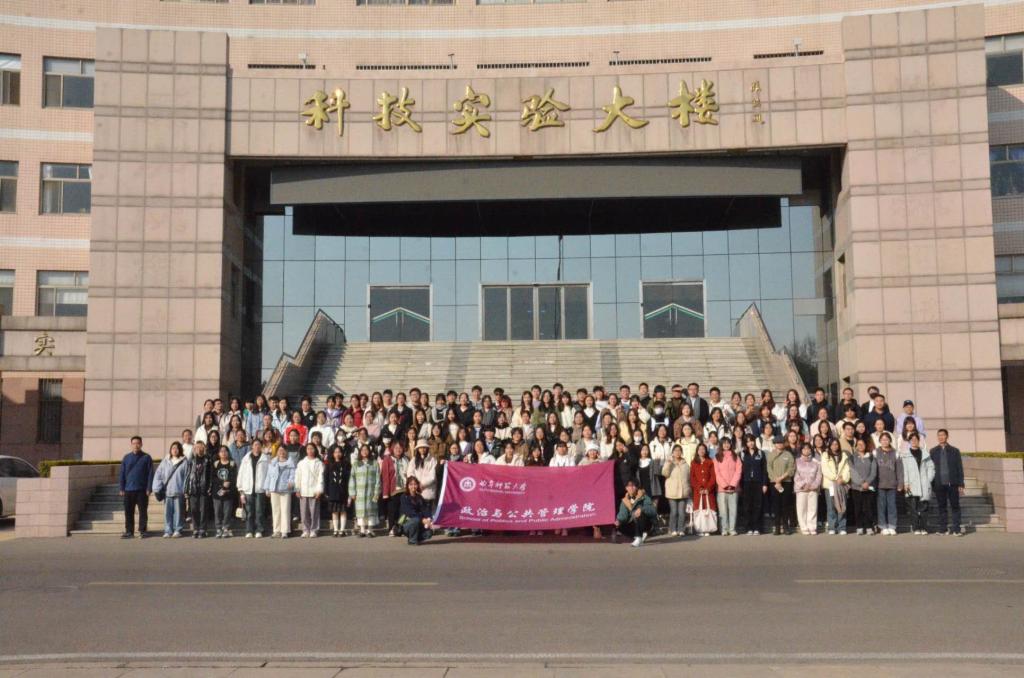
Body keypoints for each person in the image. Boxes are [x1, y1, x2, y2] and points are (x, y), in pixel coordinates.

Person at [930, 429, 965, 536]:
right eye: (939, 435)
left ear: (947, 436)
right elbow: (930, 468)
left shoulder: (955, 451)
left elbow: (959, 468)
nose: (941, 437)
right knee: (942, 507)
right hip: (939, 483)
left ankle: (956, 529)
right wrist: (932, 484)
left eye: (943, 435)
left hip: (952, 483)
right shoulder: (933, 451)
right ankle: (943, 529)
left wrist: (961, 483)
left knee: (955, 506)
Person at [151, 441, 189, 538]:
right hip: (167, 492)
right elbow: (158, 474)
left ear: (180, 450)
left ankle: (177, 530)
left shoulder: (184, 462)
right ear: (170, 450)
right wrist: (156, 487)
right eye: (173, 448)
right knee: (167, 513)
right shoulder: (165, 461)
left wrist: (185, 490)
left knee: (178, 513)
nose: (175, 450)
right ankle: (168, 530)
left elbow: (187, 477)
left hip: (179, 491)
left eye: (177, 448)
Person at [900, 432, 936, 535]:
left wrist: (929, 479)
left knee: (924, 507)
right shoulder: (905, 455)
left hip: (924, 484)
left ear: (919, 441)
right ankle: (916, 528)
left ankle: (923, 528)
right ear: (909, 441)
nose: (914, 441)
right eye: (912, 440)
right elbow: (904, 470)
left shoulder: (925, 454)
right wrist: (906, 483)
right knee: (913, 508)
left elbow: (931, 467)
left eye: (916, 439)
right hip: (911, 484)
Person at [119, 435, 154, 539]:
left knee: (143, 512)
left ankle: (143, 531)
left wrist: (149, 488)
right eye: (134, 443)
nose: (136, 445)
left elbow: (150, 474)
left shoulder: (146, 457)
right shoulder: (126, 458)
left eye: (138, 443)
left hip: (142, 490)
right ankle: (129, 532)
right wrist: (121, 488)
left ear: (141, 444)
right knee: (128, 512)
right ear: (131, 445)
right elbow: (122, 474)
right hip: (128, 490)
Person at [237, 439, 269, 538]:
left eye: (259, 445)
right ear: (252, 446)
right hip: (248, 488)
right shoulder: (246, 459)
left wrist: (268, 488)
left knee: (259, 511)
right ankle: (249, 530)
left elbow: (269, 474)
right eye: (255, 445)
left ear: (261, 447)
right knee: (249, 512)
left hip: (260, 488)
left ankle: (259, 530)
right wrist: (240, 489)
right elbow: (241, 473)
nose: (257, 446)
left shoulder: (266, 459)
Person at [262, 446, 296, 538]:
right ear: (277, 452)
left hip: (285, 489)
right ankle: (276, 530)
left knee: (285, 510)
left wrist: (291, 482)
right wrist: (267, 488)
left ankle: (285, 531)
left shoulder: (290, 463)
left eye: (283, 450)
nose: (281, 452)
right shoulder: (272, 463)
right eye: (279, 450)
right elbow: (268, 476)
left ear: (286, 452)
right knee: (275, 510)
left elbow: (293, 475)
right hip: (274, 489)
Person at [349, 444, 382, 537]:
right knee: (361, 512)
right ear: (360, 452)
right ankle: (362, 530)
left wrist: (377, 492)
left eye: (366, 449)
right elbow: (352, 478)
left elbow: (378, 479)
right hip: (360, 492)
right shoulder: (356, 464)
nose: (364, 451)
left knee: (371, 512)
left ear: (369, 451)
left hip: (371, 492)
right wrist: (352, 492)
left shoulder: (374, 463)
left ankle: (370, 530)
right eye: (362, 450)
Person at [874, 432, 903, 535]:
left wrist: (900, 483)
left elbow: (899, 470)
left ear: (890, 441)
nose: (885, 441)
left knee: (892, 506)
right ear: (880, 441)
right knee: (881, 507)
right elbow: (873, 469)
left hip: (892, 484)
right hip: (880, 485)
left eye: (886, 439)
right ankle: (882, 526)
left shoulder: (896, 453)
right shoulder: (875, 452)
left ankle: (892, 526)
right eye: (883, 440)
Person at [294, 442, 325, 538]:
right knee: (304, 513)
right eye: (308, 449)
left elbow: (321, 477)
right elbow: (298, 477)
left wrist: (319, 490)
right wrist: (297, 489)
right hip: (303, 490)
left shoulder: (319, 463)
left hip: (314, 491)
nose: (310, 450)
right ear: (306, 450)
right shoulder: (301, 463)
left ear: (315, 450)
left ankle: (314, 530)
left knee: (314, 512)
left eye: (312, 448)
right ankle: (305, 530)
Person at [615, 479, 657, 547]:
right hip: (634, 523)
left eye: (633, 486)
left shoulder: (644, 497)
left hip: (646, 523)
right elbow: (623, 515)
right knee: (619, 526)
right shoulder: (625, 500)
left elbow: (653, 510)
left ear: (637, 487)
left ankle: (638, 537)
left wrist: (642, 509)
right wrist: (618, 520)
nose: (631, 488)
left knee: (639, 514)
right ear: (626, 488)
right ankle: (638, 535)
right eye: (629, 486)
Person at [821, 438, 850, 535]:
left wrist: (843, 479)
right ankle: (832, 527)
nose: (834, 446)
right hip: (830, 484)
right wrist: (836, 478)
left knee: (842, 505)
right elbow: (825, 469)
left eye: (836, 444)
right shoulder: (825, 455)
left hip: (841, 484)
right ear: (829, 446)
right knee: (831, 506)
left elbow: (847, 469)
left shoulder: (844, 455)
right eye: (832, 444)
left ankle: (842, 527)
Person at [184, 440, 213, 539]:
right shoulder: (191, 460)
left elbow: (210, 475)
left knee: (203, 510)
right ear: (194, 449)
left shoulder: (208, 460)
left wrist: (210, 487)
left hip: (204, 489)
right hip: (193, 489)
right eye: (197, 447)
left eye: (201, 447)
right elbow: (187, 475)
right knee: (194, 510)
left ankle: (203, 529)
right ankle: (195, 529)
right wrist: (186, 489)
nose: (199, 449)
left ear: (204, 449)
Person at [739, 435, 768, 535]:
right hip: (746, 482)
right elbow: (740, 471)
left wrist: (764, 484)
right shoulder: (742, 454)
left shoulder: (760, 453)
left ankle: (757, 528)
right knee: (747, 506)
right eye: (748, 442)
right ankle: (748, 528)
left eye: (751, 441)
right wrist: (739, 485)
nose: (750, 443)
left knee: (758, 505)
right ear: (745, 443)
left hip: (758, 482)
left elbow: (764, 470)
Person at [661, 444, 691, 537]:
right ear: (672, 452)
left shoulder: (685, 464)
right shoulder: (669, 462)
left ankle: (681, 529)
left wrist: (688, 489)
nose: (677, 452)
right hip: (672, 491)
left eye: (679, 450)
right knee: (674, 512)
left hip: (683, 491)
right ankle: (673, 529)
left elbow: (688, 478)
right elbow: (664, 473)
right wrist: (669, 463)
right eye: (675, 450)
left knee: (682, 512)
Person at [713, 437, 741, 536]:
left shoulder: (736, 456)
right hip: (722, 489)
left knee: (733, 509)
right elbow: (717, 473)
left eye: (728, 443)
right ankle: (724, 529)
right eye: (724, 443)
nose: (726, 445)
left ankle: (732, 529)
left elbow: (738, 471)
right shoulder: (717, 457)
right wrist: (725, 485)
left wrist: (732, 485)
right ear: (721, 445)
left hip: (734, 488)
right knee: (723, 510)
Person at [767, 438, 796, 535]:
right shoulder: (771, 455)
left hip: (786, 482)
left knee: (785, 505)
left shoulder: (788, 455)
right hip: (774, 483)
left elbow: (791, 468)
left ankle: (786, 527)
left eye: (781, 442)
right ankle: (777, 527)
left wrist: (782, 478)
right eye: (777, 443)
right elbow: (769, 468)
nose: (779, 444)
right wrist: (776, 480)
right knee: (776, 505)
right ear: (774, 444)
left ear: (784, 444)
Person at [849, 438, 877, 535]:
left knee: (868, 508)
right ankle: (859, 527)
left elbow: (873, 471)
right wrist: (861, 483)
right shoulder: (852, 458)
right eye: (859, 444)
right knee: (858, 508)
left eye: (862, 444)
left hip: (869, 487)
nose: (860, 446)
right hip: (856, 487)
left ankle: (869, 526)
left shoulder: (871, 457)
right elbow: (852, 472)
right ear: (856, 446)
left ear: (866, 446)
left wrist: (867, 482)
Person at [793, 443, 823, 535]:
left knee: (812, 508)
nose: (806, 450)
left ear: (811, 450)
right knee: (801, 508)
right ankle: (803, 527)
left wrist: (813, 486)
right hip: (801, 489)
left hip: (813, 489)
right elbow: (795, 475)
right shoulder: (797, 461)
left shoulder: (816, 462)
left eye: (808, 448)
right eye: (804, 448)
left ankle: (812, 526)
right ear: (801, 450)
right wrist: (803, 485)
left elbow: (819, 475)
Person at [690, 443, 717, 536]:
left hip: (709, 491)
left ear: (706, 451)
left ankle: (708, 528)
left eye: (703, 449)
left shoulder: (710, 462)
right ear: (697, 451)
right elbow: (692, 478)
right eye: (700, 449)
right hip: (698, 491)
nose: (702, 451)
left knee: (709, 509)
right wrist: (699, 488)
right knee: (699, 509)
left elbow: (713, 477)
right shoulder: (694, 462)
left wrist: (708, 488)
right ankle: (700, 529)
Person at [211, 445, 238, 538]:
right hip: (217, 492)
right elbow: (213, 478)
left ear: (228, 453)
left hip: (228, 492)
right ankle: (218, 529)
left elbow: (234, 477)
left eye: (225, 451)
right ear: (219, 454)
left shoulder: (232, 464)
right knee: (217, 511)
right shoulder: (215, 464)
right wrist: (222, 483)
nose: (223, 453)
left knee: (227, 511)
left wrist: (228, 484)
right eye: (221, 451)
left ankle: (226, 528)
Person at [325, 444, 352, 537]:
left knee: (343, 511)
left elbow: (349, 479)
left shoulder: (346, 464)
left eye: (339, 452)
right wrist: (326, 491)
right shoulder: (329, 465)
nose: (337, 454)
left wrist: (349, 492)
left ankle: (342, 530)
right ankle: (336, 530)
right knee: (334, 511)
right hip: (332, 491)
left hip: (343, 491)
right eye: (335, 452)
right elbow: (326, 479)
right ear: (332, 454)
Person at [400, 476, 434, 545]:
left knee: (429, 532)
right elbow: (410, 513)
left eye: (415, 484)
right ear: (408, 486)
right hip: (406, 523)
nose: (413, 486)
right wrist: (422, 519)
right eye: (411, 484)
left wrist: (429, 519)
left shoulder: (419, 497)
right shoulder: (404, 497)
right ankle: (412, 540)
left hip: (419, 521)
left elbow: (425, 510)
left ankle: (415, 537)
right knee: (416, 520)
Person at [409, 441, 439, 513]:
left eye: (424, 447)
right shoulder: (414, 460)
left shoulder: (432, 460)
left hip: (428, 490)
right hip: (416, 490)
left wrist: (422, 484)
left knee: (428, 513)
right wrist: (416, 484)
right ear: (418, 449)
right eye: (420, 448)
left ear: (427, 448)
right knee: (417, 513)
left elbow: (433, 476)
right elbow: (410, 472)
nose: (422, 449)